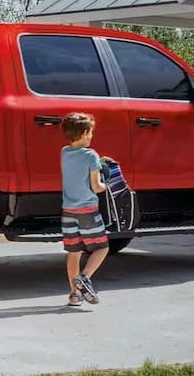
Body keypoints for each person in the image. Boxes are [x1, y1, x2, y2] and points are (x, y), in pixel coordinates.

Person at [59, 112, 111, 306]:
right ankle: (85, 277)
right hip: (87, 210)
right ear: (85, 133)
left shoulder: (64, 152)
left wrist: (98, 162)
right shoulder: (91, 155)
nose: (92, 136)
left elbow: (77, 168)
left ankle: (74, 295)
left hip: (68, 210)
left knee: (74, 252)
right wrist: (107, 184)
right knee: (101, 247)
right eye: (91, 132)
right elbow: (96, 186)